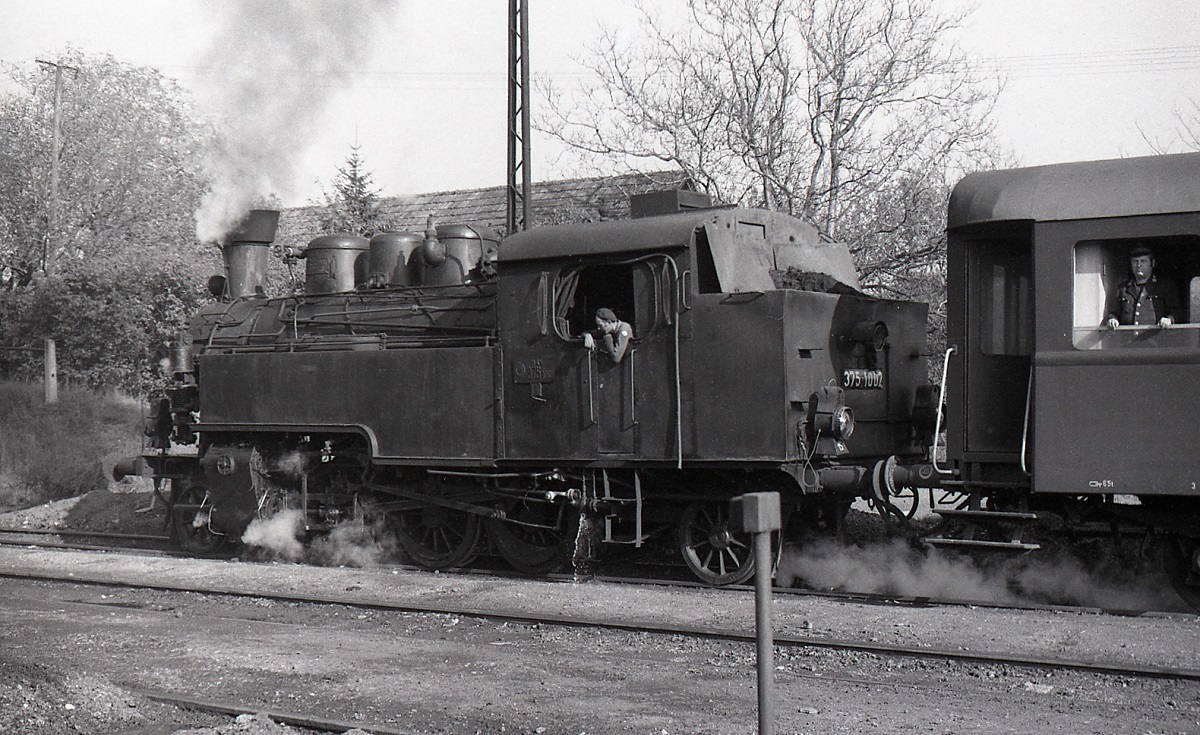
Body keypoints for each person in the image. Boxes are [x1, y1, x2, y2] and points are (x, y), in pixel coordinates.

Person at [1105, 245, 1181, 329]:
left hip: (1156, 336)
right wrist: (1112, 319)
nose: (1139, 265)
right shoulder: (1122, 288)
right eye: (1135, 261)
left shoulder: (1165, 286)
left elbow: (1175, 312)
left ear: (1152, 263)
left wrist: (1169, 319)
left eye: (1143, 261)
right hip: (1128, 337)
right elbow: (1113, 313)